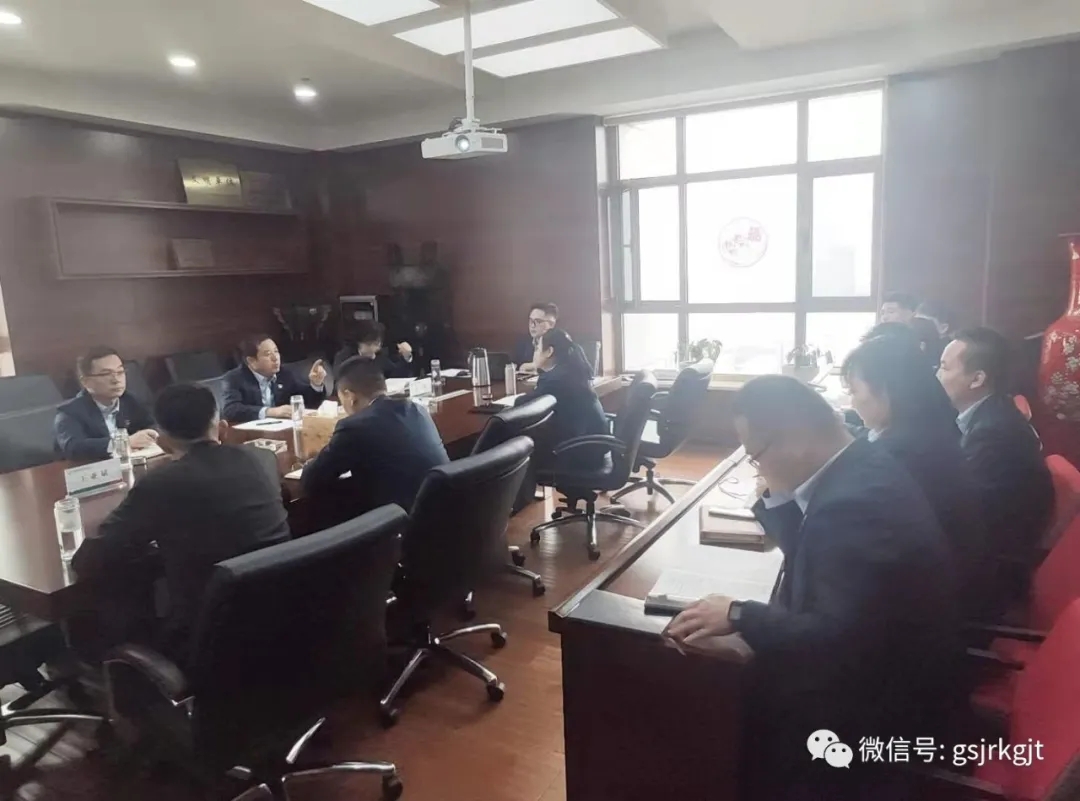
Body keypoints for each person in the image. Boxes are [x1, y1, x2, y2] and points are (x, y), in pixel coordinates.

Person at [665, 376, 960, 801]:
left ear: (797, 439)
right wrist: (778, 498)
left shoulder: (853, 506)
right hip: (890, 668)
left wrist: (739, 613)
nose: (757, 467)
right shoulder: (862, 462)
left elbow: (834, 637)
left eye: (756, 456)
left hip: (875, 710)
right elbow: (821, 555)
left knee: (714, 701)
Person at [71, 383, 291, 663]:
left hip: (207, 638)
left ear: (163, 441)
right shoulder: (262, 459)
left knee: (115, 609)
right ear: (222, 428)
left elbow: (93, 558)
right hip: (279, 615)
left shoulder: (160, 484)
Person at [843, 335, 993, 622]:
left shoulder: (900, 456)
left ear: (887, 390)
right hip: (944, 592)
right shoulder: (928, 429)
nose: (852, 401)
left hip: (917, 615)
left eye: (853, 390)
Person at [938, 327, 1054, 605]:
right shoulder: (989, 413)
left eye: (944, 367)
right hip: (989, 553)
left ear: (977, 379)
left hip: (991, 576)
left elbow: (963, 512)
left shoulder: (994, 433)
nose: (937, 376)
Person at [301, 356, 448, 515]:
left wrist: (312, 461)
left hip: (403, 522)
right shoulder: (417, 409)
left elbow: (311, 480)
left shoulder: (354, 427)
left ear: (350, 397)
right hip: (446, 512)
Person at [517, 328, 606, 467]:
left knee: (518, 449)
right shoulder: (572, 371)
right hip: (594, 445)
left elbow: (524, 406)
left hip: (580, 452)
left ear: (549, 351)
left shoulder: (555, 380)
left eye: (537, 349)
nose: (535, 354)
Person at [54, 346, 157, 460]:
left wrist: (151, 434)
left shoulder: (130, 400)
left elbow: (153, 424)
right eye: (106, 374)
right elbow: (74, 447)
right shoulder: (69, 412)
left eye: (120, 372)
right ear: (86, 382)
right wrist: (124, 443)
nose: (116, 380)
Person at [221, 335, 327, 424]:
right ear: (252, 361)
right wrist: (270, 412)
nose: (275, 358)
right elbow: (231, 409)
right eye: (268, 354)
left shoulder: (284, 374)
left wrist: (316, 384)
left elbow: (306, 400)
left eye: (276, 351)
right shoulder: (234, 379)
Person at [332, 319, 417, 380]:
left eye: (379, 342)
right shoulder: (344, 356)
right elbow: (339, 378)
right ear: (361, 341)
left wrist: (406, 355)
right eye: (374, 343)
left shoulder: (379, 356)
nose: (378, 346)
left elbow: (397, 375)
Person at [514, 302, 559, 373]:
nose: (532, 325)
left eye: (538, 321)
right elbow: (514, 367)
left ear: (551, 324)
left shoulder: (561, 345)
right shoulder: (522, 343)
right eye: (531, 321)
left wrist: (534, 366)